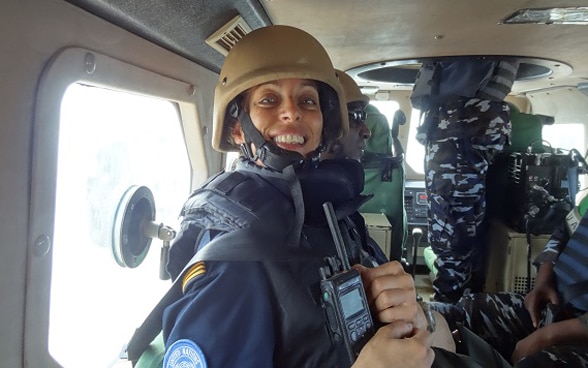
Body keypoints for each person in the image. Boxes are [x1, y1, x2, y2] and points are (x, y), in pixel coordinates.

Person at [161, 25, 435, 368]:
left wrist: (405, 318)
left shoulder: (325, 217)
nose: (292, 112)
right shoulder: (235, 258)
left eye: (308, 100)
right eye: (269, 100)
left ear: (324, 124)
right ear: (236, 128)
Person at [429, 199, 588, 367]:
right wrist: (542, 283)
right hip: (554, 307)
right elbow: (561, 235)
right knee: (470, 310)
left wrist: (549, 335)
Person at [410, 59, 519, 303]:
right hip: (464, 123)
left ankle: (450, 318)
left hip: (461, 125)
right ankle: (460, 309)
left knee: (452, 236)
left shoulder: (464, 113)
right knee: (459, 232)